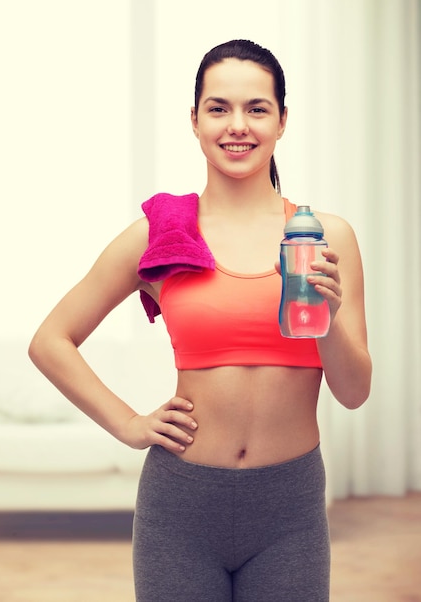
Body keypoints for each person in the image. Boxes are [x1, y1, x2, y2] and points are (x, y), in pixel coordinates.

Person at [29, 39, 371, 602]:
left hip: (290, 508)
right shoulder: (161, 233)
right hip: (180, 507)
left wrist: (328, 320)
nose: (237, 125)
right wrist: (128, 424)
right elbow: (51, 341)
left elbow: (354, 393)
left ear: (283, 121)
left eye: (257, 108)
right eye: (218, 108)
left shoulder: (324, 237)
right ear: (194, 120)